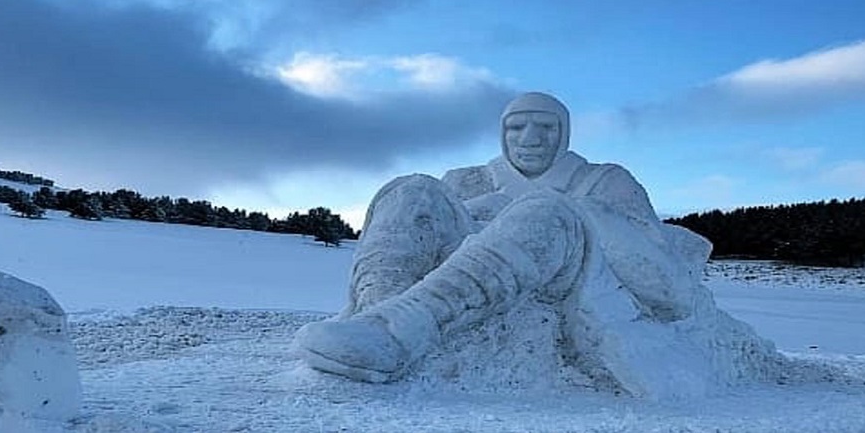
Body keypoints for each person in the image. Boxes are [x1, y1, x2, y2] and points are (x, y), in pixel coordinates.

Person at [295, 92, 775, 396]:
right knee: (412, 188)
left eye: (546, 127)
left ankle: (403, 329)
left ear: (564, 134)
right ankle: (373, 318)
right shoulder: (467, 181)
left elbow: (666, 288)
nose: (530, 138)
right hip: (466, 275)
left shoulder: (605, 181)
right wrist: (486, 210)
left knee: (547, 210)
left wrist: (572, 213)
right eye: (516, 126)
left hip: (566, 287)